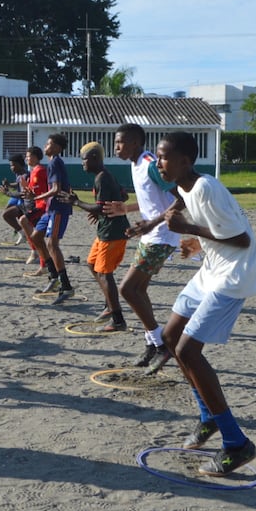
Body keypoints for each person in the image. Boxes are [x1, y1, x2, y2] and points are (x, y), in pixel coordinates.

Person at [155, 131, 256, 477]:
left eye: (164, 157)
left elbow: (242, 239)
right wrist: (196, 243)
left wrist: (191, 231)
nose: (159, 162)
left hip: (232, 275)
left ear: (185, 161)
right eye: (157, 156)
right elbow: (205, 223)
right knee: (171, 337)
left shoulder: (204, 187)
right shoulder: (185, 188)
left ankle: (236, 443)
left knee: (187, 351)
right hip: (211, 269)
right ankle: (207, 418)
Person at [102, 123, 184, 368]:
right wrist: (126, 210)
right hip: (151, 234)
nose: (115, 147)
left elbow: (181, 197)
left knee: (128, 289)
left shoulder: (151, 163)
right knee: (138, 290)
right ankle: (152, 342)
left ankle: (161, 344)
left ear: (135, 143)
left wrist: (152, 223)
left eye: (120, 142)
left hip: (163, 234)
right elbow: (153, 199)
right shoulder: (135, 164)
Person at [68, 142, 130, 331]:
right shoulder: (105, 176)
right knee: (92, 264)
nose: (82, 164)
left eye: (84, 159)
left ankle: (118, 319)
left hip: (113, 231)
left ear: (94, 158)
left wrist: (77, 201)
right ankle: (109, 306)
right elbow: (124, 196)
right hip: (106, 229)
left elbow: (100, 206)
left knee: (104, 273)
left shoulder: (102, 178)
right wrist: (102, 210)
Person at [30, 133, 73, 305]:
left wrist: (36, 198)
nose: (45, 146)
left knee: (52, 244)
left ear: (56, 147)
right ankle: (54, 276)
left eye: (48, 143)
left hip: (58, 208)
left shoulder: (55, 162)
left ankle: (66, 286)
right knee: (35, 237)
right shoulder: (51, 162)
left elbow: (56, 189)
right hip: (50, 208)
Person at [20, 146, 50, 271]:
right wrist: (26, 187)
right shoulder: (33, 171)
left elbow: (40, 193)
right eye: (26, 156)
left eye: (29, 156)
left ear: (36, 157)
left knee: (24, 221)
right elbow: (33, 192)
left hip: (43, 206)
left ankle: (35, 252)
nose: (27, 158)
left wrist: (29, 191)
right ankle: (41, 260)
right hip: (38, 205)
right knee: (34, 232)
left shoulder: (39, 171)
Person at [0, 154, 31, 245]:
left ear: (20, 165)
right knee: (7, 212)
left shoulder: (26, 175)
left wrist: (7, 193)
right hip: (18, 197)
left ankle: (23, 233)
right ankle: (21, 232)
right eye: (10, 166)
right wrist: (9, 184)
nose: (11, 168)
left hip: (25, 201)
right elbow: (17, 184)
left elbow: (23, 194)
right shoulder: (18, 174)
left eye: (13, 165)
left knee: (8, 214)